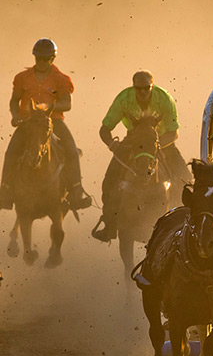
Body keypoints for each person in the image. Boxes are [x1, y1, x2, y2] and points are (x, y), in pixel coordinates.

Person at [92, 70, 191, 242]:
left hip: (161, 141)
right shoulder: (123, 99)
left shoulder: (164, 99)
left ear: (152, 87)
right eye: (139, 89)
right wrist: (113, 145)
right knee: (109, 182)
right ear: (134, 87)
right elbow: (104, 129)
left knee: (187, 180)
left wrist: (156, 145)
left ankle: (188, 224)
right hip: (133, 142)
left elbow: (173, 133)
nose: (143, 92)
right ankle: (109, 225)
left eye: (147, 88)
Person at [0, 38, 91, 210]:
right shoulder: (22, 78)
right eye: (38, 58)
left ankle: (76, 193)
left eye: (45, 59)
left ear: (52, 59)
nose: (41, 62)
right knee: (11, 151)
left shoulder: (61, 79)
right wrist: (14, 115)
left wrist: (50, 107)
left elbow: (67, 103)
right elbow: (14, 101)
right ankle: (5, 191)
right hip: (28, 122)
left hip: (53, 121)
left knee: (71, 149)